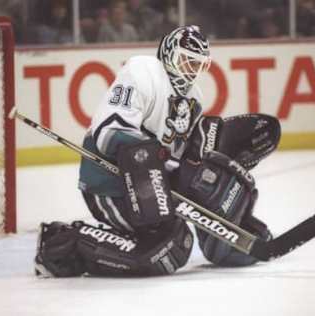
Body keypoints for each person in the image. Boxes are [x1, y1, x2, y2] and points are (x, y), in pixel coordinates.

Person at [35, 25, 281, 278]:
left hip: (151, 190)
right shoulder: (142, 71)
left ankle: (227, 232)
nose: (191, 69)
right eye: (186, 61)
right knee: (165, 249)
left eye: (197, 65)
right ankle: (64, 240)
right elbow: (108, 132)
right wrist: (153, 156)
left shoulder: (194, 99)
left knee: (176, 243)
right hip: (110, 184)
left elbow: (178, 158)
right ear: (169, 52)